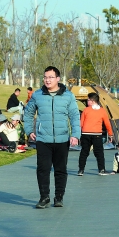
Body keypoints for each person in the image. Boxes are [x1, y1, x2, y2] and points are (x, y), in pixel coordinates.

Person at [23, 66, 80, 209]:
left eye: (50, 77)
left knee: (60, 169)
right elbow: (28, 113)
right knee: (43, 169)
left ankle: (59, 197)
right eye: (45, 77)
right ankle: (44, 197)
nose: (47, 80)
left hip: (62, 139)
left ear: (58, 79)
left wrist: (75, 135)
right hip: (43, 139)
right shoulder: (37, 95)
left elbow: (74, 116)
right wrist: (29, 130)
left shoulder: (68, 96)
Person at [78, 92, 114, 176]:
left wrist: (80, 133)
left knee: (84, 152)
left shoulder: (86, 110)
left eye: (88, 100)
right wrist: (110, 134)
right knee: (99, 152)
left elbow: (81, 123)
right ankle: (101, 169)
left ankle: (81, 170)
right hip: (97, 134)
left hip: (85, 134)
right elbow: (107, 123)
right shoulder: (102, 111)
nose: (87, 102)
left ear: (93, 101)